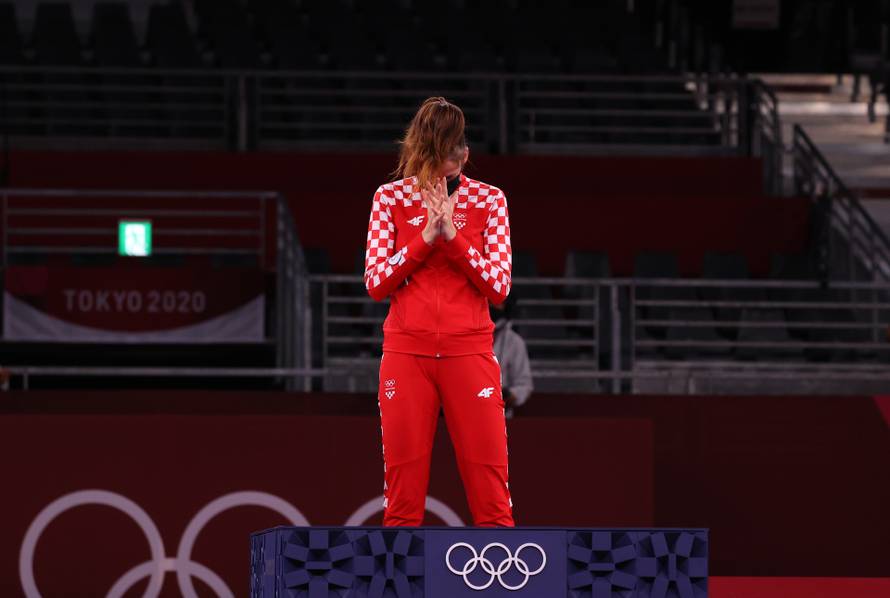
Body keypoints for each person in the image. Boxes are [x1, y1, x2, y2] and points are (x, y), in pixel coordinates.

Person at [364, 96, 514, 527]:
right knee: (402, 500)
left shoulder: (490, 201)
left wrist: (452, 237)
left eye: (447, 165)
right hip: (407, 358)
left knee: (492, 499)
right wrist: (424, 238)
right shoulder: (389, 198)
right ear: (416, 152)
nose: (437, 176)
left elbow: (499, 286)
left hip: (469, 355)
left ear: (464, 155)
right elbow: (376, 281)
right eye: (429, 162)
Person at [490, 295, 533, 418]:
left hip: (501, 416)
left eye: (496, 303)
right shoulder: (464, 338)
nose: (491, 307)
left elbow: (524, 385)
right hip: (467, 413)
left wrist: (510, 395)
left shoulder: (515, 342)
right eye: (487, 302)